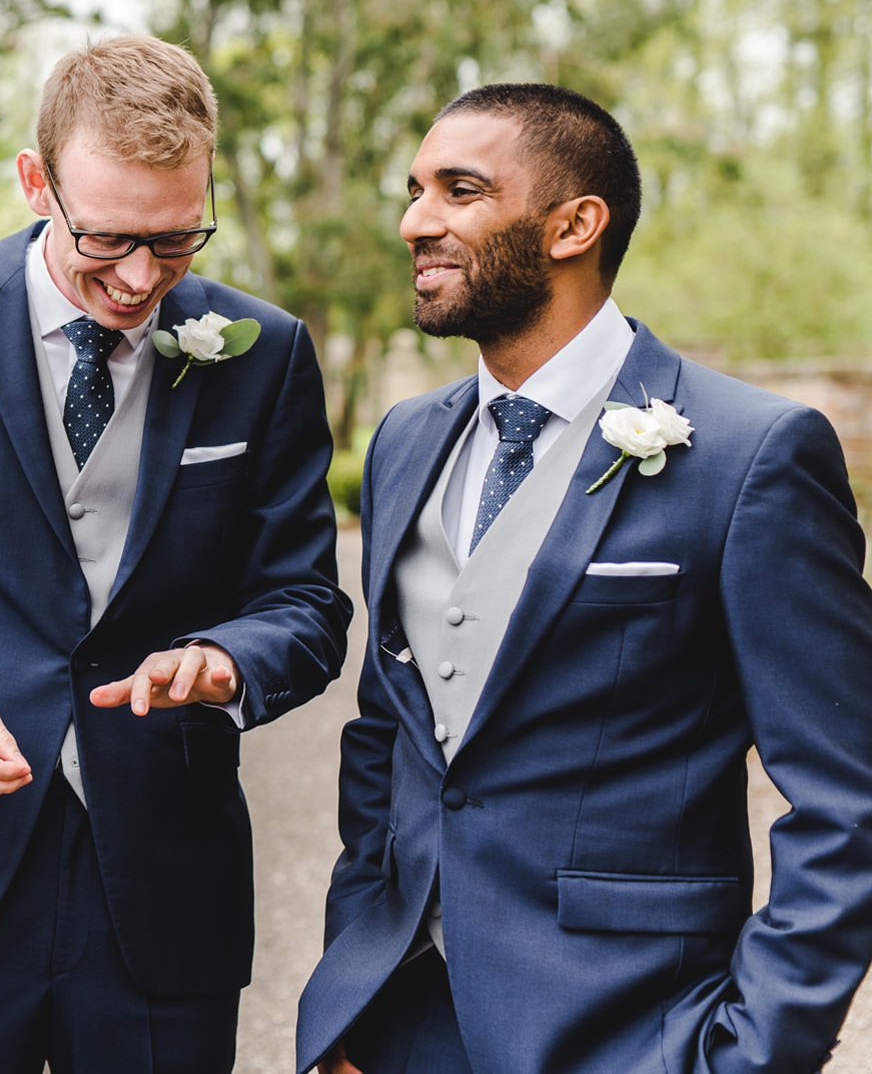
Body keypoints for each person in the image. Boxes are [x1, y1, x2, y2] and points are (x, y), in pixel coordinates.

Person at [0, 34, 350, 1072]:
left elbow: (305, 604)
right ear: (34, 182)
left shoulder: (263, 353)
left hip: (161, 887)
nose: (141, 279)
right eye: (108, 239)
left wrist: (228, 662)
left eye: (177, 239)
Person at [297, 84, 872, 1074]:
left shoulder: (748, 455)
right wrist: (352, 989)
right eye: (413, 190)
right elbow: (387, 735)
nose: (413, 221)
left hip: (626, 1031)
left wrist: (751, 1051)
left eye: (458, 190)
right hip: (399, 1025)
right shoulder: (402, 442)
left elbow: (845, 795)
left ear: (573, 224)